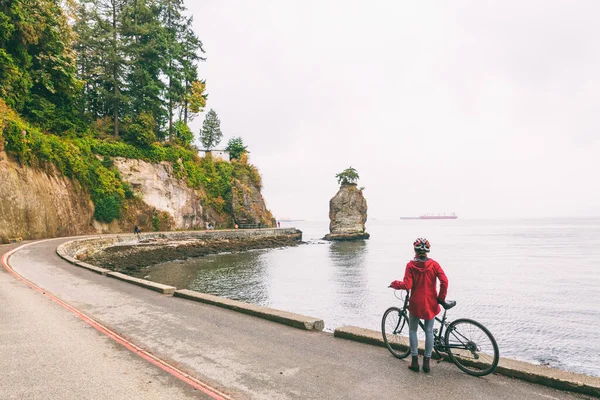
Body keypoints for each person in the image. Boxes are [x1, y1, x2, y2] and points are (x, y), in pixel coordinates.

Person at [390, 238, 448, 373]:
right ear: (428, 251)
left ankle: (415, 361)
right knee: (429, 331)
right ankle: (427, 363)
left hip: (416, 303)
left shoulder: (410, 265)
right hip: (430, 303)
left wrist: (395, 284)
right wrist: (440, 298)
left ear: (415, 250)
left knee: (413, 330)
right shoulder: (434, 265)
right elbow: (444, 282)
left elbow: (407, 285)